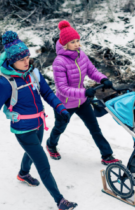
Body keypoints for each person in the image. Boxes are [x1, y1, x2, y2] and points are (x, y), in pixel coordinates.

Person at [0, 31, 77, 210]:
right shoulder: (4, 84)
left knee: (34, 150)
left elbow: (47, 93)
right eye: (21, 59)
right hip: (23, 129)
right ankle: (60, 201)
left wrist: (61, 108)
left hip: (39, 123)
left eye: (27, 57)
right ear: (11, 61)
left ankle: (23, 173)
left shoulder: (33, 74)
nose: (26, 61)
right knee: (42, 163)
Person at [46, 20, 121, 166]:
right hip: (65, 104)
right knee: (60, 127)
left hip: (82, 101)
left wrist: (103, 79)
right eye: (73, 42)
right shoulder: (59, 62)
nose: (77, 44)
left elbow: (91, 71)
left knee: (95, 128)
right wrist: (85, 92)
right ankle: (51, 145)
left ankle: (107, 155)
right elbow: (62, 88)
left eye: (78, 41)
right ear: (65, 44)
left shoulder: (81, 55)